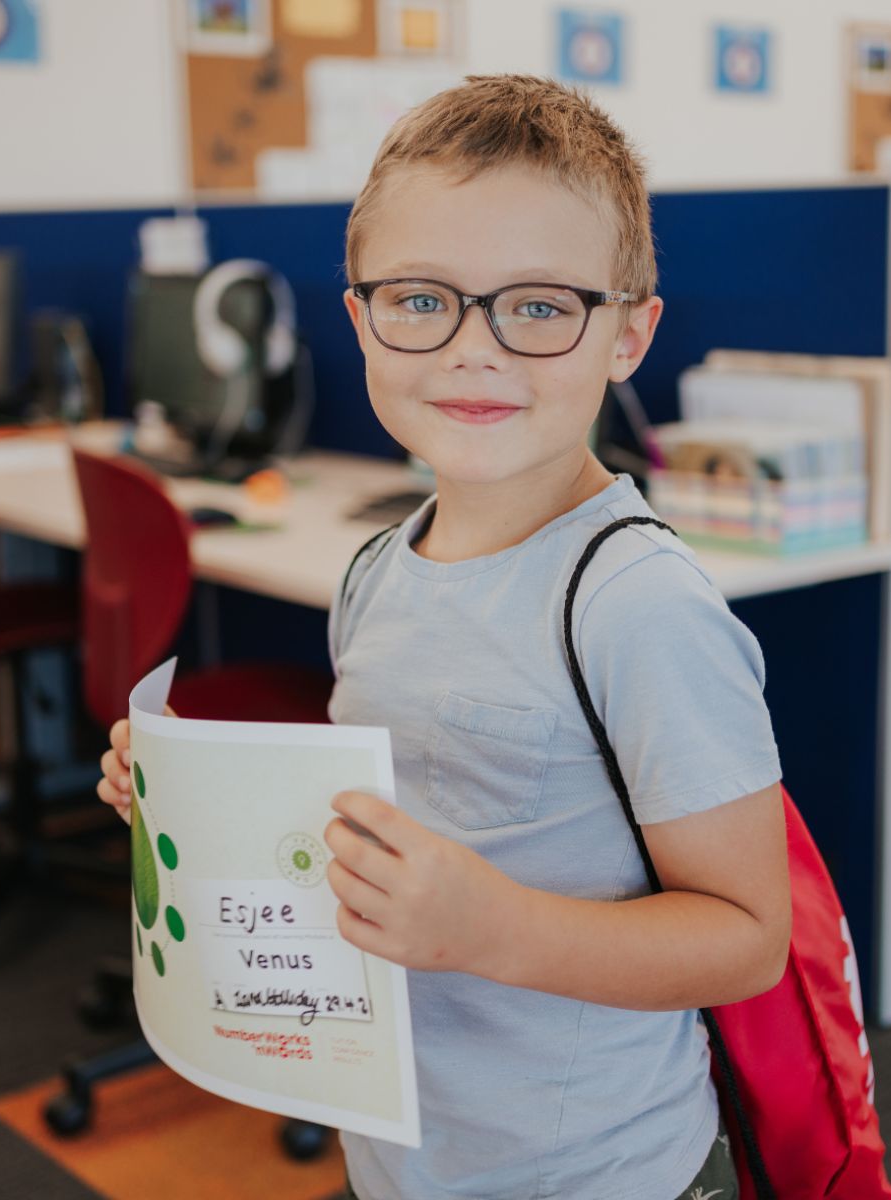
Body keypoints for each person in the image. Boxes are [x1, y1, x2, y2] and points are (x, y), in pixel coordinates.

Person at [97, 74, 790, 1200]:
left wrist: (491, 928)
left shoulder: (638, 605)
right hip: (409, 1154)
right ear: (359, 314)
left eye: (540, 304)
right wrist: (196, 806)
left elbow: (749, 938)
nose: (475, 348)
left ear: (629, 333)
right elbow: (372, 842)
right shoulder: (378, 569)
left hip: (601, 1176)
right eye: (423, 299)